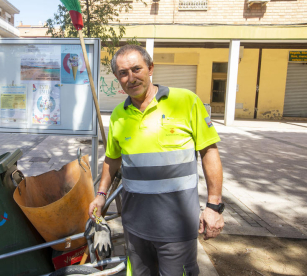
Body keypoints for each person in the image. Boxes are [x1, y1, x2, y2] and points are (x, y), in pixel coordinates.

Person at [88, 45, 224, 276]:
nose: (131, 78)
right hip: (135, 227)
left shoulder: (186, 101)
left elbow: (209, 152)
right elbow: (112, 159)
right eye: (123, 73)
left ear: (150, 68)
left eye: (136, 69)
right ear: (118, 78)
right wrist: (101, 196)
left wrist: (213, 206)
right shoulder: (119, 115)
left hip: (177, 228)